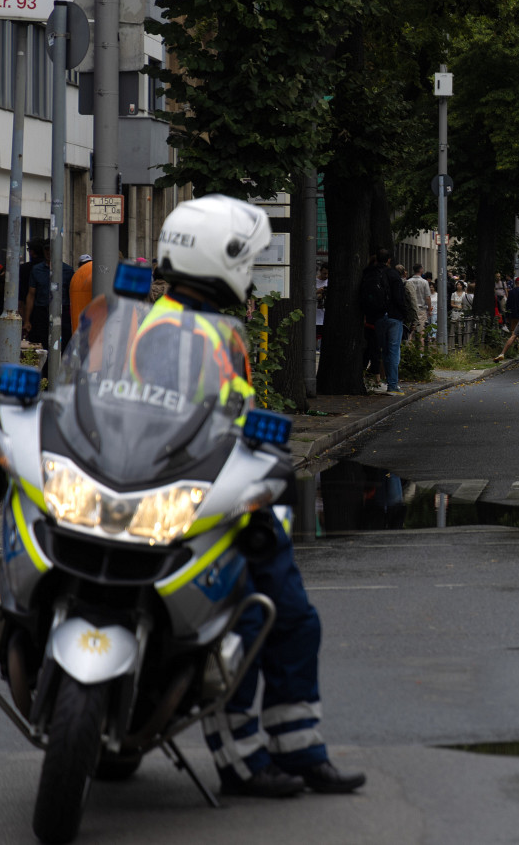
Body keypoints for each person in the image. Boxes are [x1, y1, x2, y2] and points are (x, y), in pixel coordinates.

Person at [147, 195, 365, 799]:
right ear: (219, 260)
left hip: (222, 497)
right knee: (245, 621)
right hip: (195, 506)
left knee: (286, 618)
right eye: (245, 259)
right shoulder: (172, 331)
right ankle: (246, 759)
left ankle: (297, 748)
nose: (250, 271)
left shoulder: (198, 326)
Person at [359, 249, 411, 395]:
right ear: (389, 260)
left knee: (383, 350)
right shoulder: (393, 274)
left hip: (377, 317)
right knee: (393, 351)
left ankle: (382, 381)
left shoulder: (369, 273)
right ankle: (392, 385)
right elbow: (399, 297)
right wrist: (404, 314)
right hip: (394, 317)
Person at [404, 265, 432, 338]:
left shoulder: (408, 281)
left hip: (411, 309)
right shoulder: (424, 282)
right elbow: (427, 297)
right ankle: (421, 345)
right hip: (421, 309)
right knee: (421, 332)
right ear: (421, 270)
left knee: (410, 332)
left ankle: (409, 345)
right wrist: (429, 309)